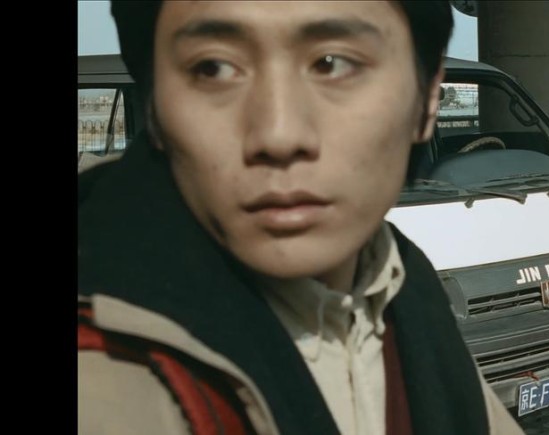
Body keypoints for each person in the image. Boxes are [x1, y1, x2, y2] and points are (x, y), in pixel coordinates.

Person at [77, 2, 524, 434]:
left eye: (332, 64)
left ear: (426, 101)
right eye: (213, 68)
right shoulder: (103, 375)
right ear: (155, 111)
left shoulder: (401, 286)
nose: (279, 135)